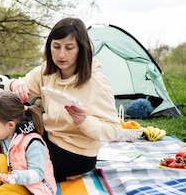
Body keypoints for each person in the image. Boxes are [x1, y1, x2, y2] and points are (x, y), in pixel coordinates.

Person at [7, 17, 121, 181]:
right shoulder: (46, 71)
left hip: (77, 153)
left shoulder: (97, 84)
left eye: (69, 48)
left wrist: (85, 121)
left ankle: (63, 173)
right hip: (49, 138)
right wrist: (15, 84)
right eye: (56, 46)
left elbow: (114, 129)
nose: (61, 54)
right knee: (9, 143)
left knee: (18, 167)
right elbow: (20, 86)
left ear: (81, 49)